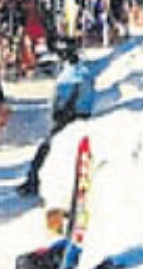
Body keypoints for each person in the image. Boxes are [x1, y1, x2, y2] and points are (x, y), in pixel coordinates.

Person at [18, 48, 95, 196]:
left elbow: (69, 97)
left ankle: (33, 182)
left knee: (46, 149)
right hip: (82, 116)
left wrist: (62, 113)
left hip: (69, 117)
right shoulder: (84, 73)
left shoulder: (72, 76)